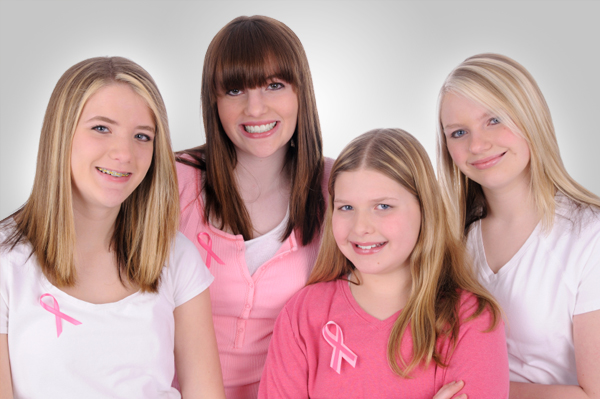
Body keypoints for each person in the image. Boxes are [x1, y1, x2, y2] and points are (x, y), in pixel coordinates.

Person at [0, 56, 225, 399]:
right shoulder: (6, 263)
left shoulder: (178, 258)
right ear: (61, 134)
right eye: (101, 128)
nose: (124, 153)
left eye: (142, 136)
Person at [258, 128, 509, 398]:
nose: (361, 227)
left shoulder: (471, 320)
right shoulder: (304, 313)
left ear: (425, 208)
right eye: (346, 208)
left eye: (383, 206)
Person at [175, 15, 334, 398]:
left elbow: (395, 292)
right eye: (234, 91)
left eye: (274, 85)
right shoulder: (172, 180)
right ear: (213, 102)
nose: (256, 108)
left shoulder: (338, 187)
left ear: (301, 93)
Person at [437, 53, 600, 398]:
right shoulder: (450, 240)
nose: (477, 145)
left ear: (530, 118)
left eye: (494, 120)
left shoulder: (590, 236)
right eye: (459, 132)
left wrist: (484, 392)